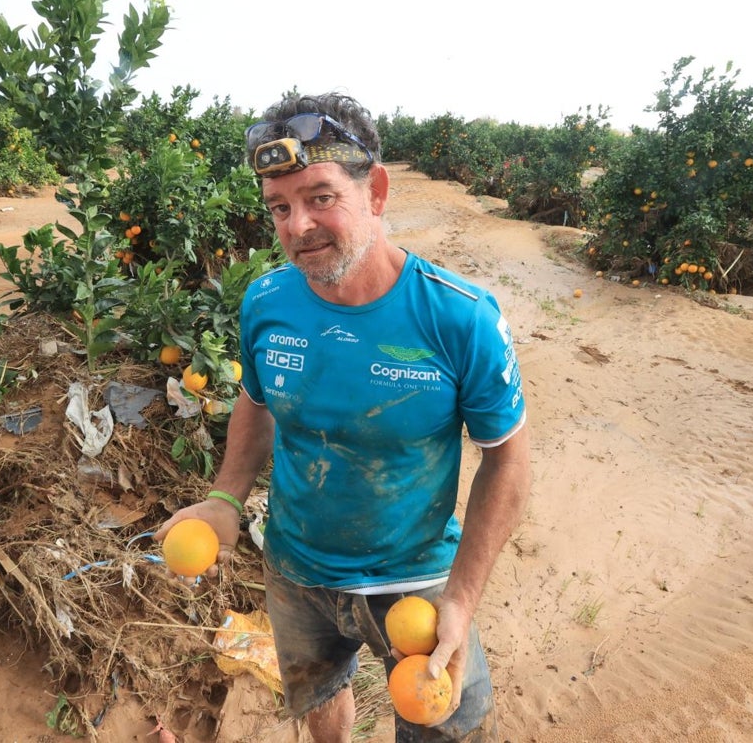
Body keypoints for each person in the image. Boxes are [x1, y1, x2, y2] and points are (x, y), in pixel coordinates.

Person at [155, 93, 531, 742]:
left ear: (376, 191)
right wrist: (225, 498)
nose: (298, 225)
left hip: (415, 585)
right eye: (280, 207)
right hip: (295, 568)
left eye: (320, 197)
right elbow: (258, 401)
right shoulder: (267, 301)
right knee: (318, 699)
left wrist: (462, 602)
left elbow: (508, 458)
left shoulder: (459, 317)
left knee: (448, 720)